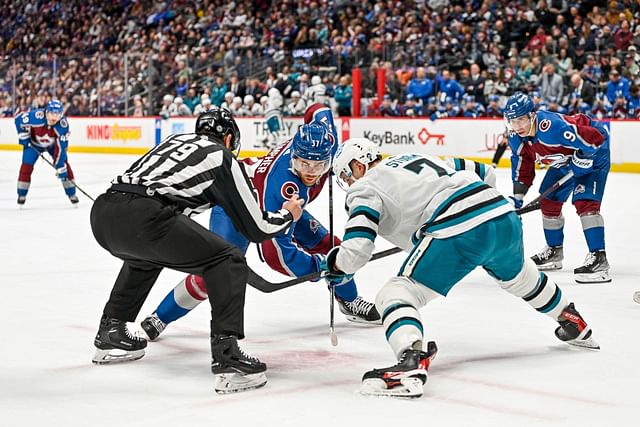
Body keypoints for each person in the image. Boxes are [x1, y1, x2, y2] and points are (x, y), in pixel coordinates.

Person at [321, 138, 598, 398]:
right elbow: (485, 172)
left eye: (346, 176)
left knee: (396, 294)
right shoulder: (416, 155)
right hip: (501, 215)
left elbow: (357, 249)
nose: (348, 183)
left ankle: (409, 359)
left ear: (359, 165)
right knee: (520, 278)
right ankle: (572, 321)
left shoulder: (364, 187)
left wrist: (336, 265)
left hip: (456, 229)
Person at [89, 108, 304, 394]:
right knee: (229, 259)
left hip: (104, 213)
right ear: (228, 139)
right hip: (146, 216)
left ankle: (111, 331)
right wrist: (288, 215)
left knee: (145, 257)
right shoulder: (223, 157)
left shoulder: (174, 141)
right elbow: (258, 228)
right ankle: (227, 356)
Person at [140, 104, 381, 342]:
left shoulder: (324, 140)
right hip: (235, 207)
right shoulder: (280, 190)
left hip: (286, 207)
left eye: (319, 165)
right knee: (213, 272)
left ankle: (349, 301)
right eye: (303, 164)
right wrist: (322, 268)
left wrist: (334, 261)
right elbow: (277, 256)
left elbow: (319, 109)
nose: (310, 172)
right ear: (293, 157)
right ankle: (160, 317)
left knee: (333, 248)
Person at [504, 92, 611, 284]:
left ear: (532, 115)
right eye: (512, 121)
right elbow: (522, 165)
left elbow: (595, 138)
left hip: (594, 151)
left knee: (585, 202)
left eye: (521, 119)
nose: (517, 126)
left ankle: (599, 259)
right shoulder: (516, 137)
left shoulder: (551, 128)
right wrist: (517, 197)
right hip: (565, 160)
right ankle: (554, 251)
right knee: (549, 201)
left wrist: (583, 158)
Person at [15, 99, 78, 205]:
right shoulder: (36, 116)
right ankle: (22, 194)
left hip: (52, 147)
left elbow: (61, 148)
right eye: (52, 113)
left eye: (58, 114)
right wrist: (23, 136)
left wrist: (60, 166)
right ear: (47, 112)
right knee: (26, 167)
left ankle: (72, 193)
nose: (55, 117)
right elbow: (18, 119)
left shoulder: (63, 125)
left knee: (65, 167)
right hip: (33, 144)